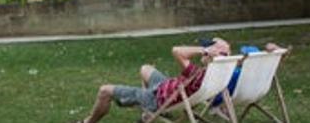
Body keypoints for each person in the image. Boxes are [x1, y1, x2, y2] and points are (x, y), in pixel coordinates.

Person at [74, 37, 232, 123]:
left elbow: (176, 50)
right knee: (145, 68)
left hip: (159, 98)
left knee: (104, 90)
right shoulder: (219, 73)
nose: (203, 54)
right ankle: (146, 111)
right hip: (167, 87)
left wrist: (204, 50)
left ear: (210, 54)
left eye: (206, 51)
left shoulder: (198, 74)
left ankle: (88, 122)